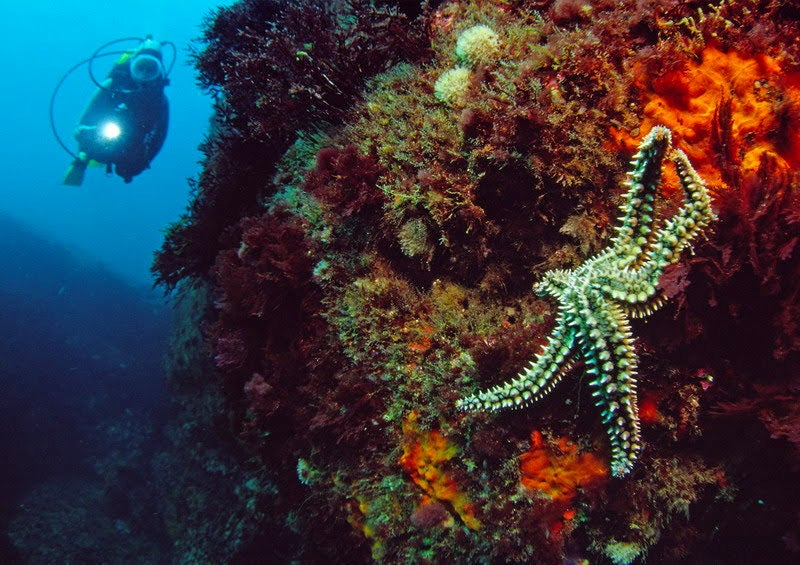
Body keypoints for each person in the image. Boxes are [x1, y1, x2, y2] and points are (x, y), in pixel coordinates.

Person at [63, 36, 170, 185]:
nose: (145, 73)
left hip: (131, 146)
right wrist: (84, 135)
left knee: (127, 167)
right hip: (102, 134)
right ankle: (82, 160)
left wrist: (143, 161)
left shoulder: (159, 101)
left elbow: (159, 137)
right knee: (87, 151)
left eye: (150, 69)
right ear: (132, 66)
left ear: (158, 72)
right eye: (140, 67)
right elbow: (84, 120)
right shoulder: (112, 85)